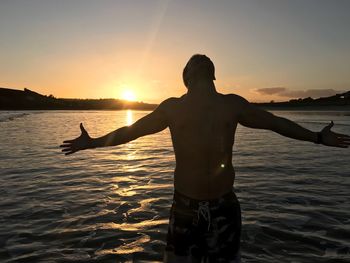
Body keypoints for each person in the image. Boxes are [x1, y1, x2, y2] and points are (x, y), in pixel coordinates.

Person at [60, 54, 350, 262]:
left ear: (187, 77)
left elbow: (130, 132)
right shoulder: (225, 105)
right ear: (211, 75)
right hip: (208, 205)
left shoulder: (178, 108)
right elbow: (277, 123)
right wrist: (316, 137)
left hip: (201, 206)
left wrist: (93, 143)